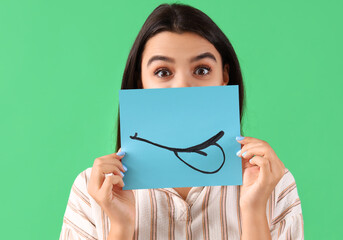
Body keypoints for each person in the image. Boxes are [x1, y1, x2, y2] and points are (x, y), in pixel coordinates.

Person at [59, 3, 303, 240]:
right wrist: (121, 227)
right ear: (139, 82)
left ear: (224, 76)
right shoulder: (91, 192)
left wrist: (253, 210)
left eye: (202, 70)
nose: (183, 86)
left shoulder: (272, 184)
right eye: (163, 72)